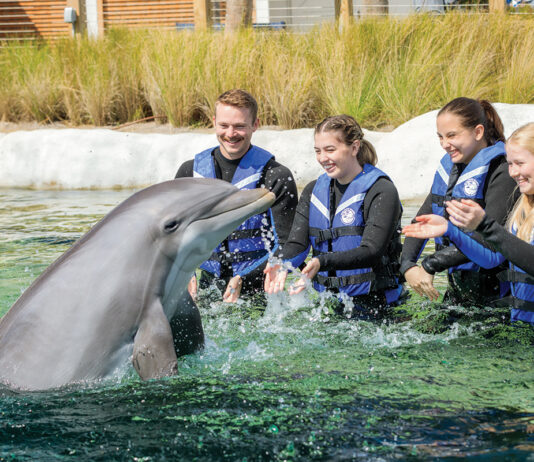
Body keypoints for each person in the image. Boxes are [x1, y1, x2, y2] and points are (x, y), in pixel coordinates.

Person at [264, 115, 404, 319]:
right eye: (318, 151)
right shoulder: (313, 190)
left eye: (330, 150)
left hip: (378, 304)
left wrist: (322, 261)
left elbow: (372, 250)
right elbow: (297, 243)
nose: (322, 158)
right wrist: (280, 261)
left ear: (354, 147)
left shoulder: (382, 190)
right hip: (328, 303)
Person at [403, 122, 534, 325]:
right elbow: (492, 257)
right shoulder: (522, 209)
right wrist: (450, 230)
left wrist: (484, 225)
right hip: (521, 326)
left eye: (520, 163)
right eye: (510, 164)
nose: (513, 172)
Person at [175, 89, 298, 303]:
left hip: (258, 292)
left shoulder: (276, 176)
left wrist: (245, 276)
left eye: (240, 126)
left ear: (255, 124)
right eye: (224, 125)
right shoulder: (190, 172)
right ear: (214, 122)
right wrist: (184, 272)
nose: (231, 134)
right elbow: (174, 234)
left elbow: (288, 244)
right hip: (204, 288)